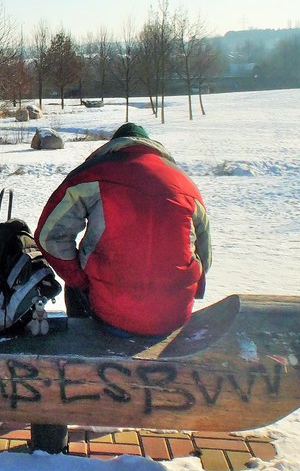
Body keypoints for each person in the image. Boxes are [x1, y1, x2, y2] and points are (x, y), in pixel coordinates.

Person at [34, 122, 211, 337]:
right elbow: (204, 252)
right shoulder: (185, 182)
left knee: (75, 282)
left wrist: (79, 280)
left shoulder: (93, 174)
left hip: (110, 312)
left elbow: (50, 236)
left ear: (114, 146)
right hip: (174, 315)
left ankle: (85, 342)